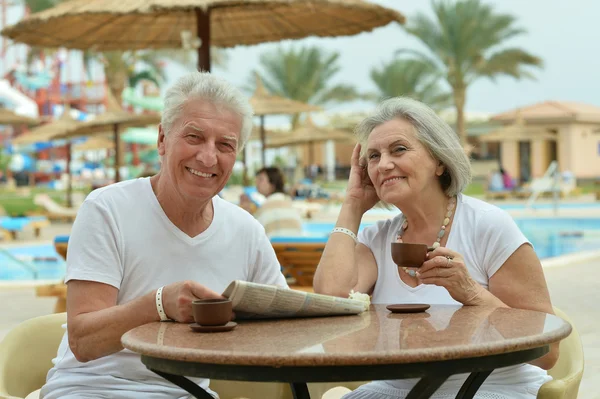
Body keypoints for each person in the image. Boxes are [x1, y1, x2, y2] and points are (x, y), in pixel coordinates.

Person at [40, 72, 287, 399]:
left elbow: (286, 325)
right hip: (91, 390)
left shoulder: (247, 231)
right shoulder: (107, 209)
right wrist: (160, 304)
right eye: (194, 137)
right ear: (162, 140)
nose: (208, 157)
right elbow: (83, 341)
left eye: (225, 144)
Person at [313, 97, 558, 399]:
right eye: (374, 156)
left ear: (439, 160)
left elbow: (547, 351)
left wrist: (471, 293)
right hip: (397, 388)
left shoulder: (488, 226)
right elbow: (330, 302)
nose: (384, 164)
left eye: (399, 149)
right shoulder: (376, 238)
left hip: (490, 387)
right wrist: (351, 205)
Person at [240, 167, 303, 237]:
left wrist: (244, 214)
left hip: (274, 247)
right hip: (296, 247)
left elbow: (250, 233)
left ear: (273, 184)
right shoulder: (289, 204)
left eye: (260, 179)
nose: (256, 182)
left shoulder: (265, 208)